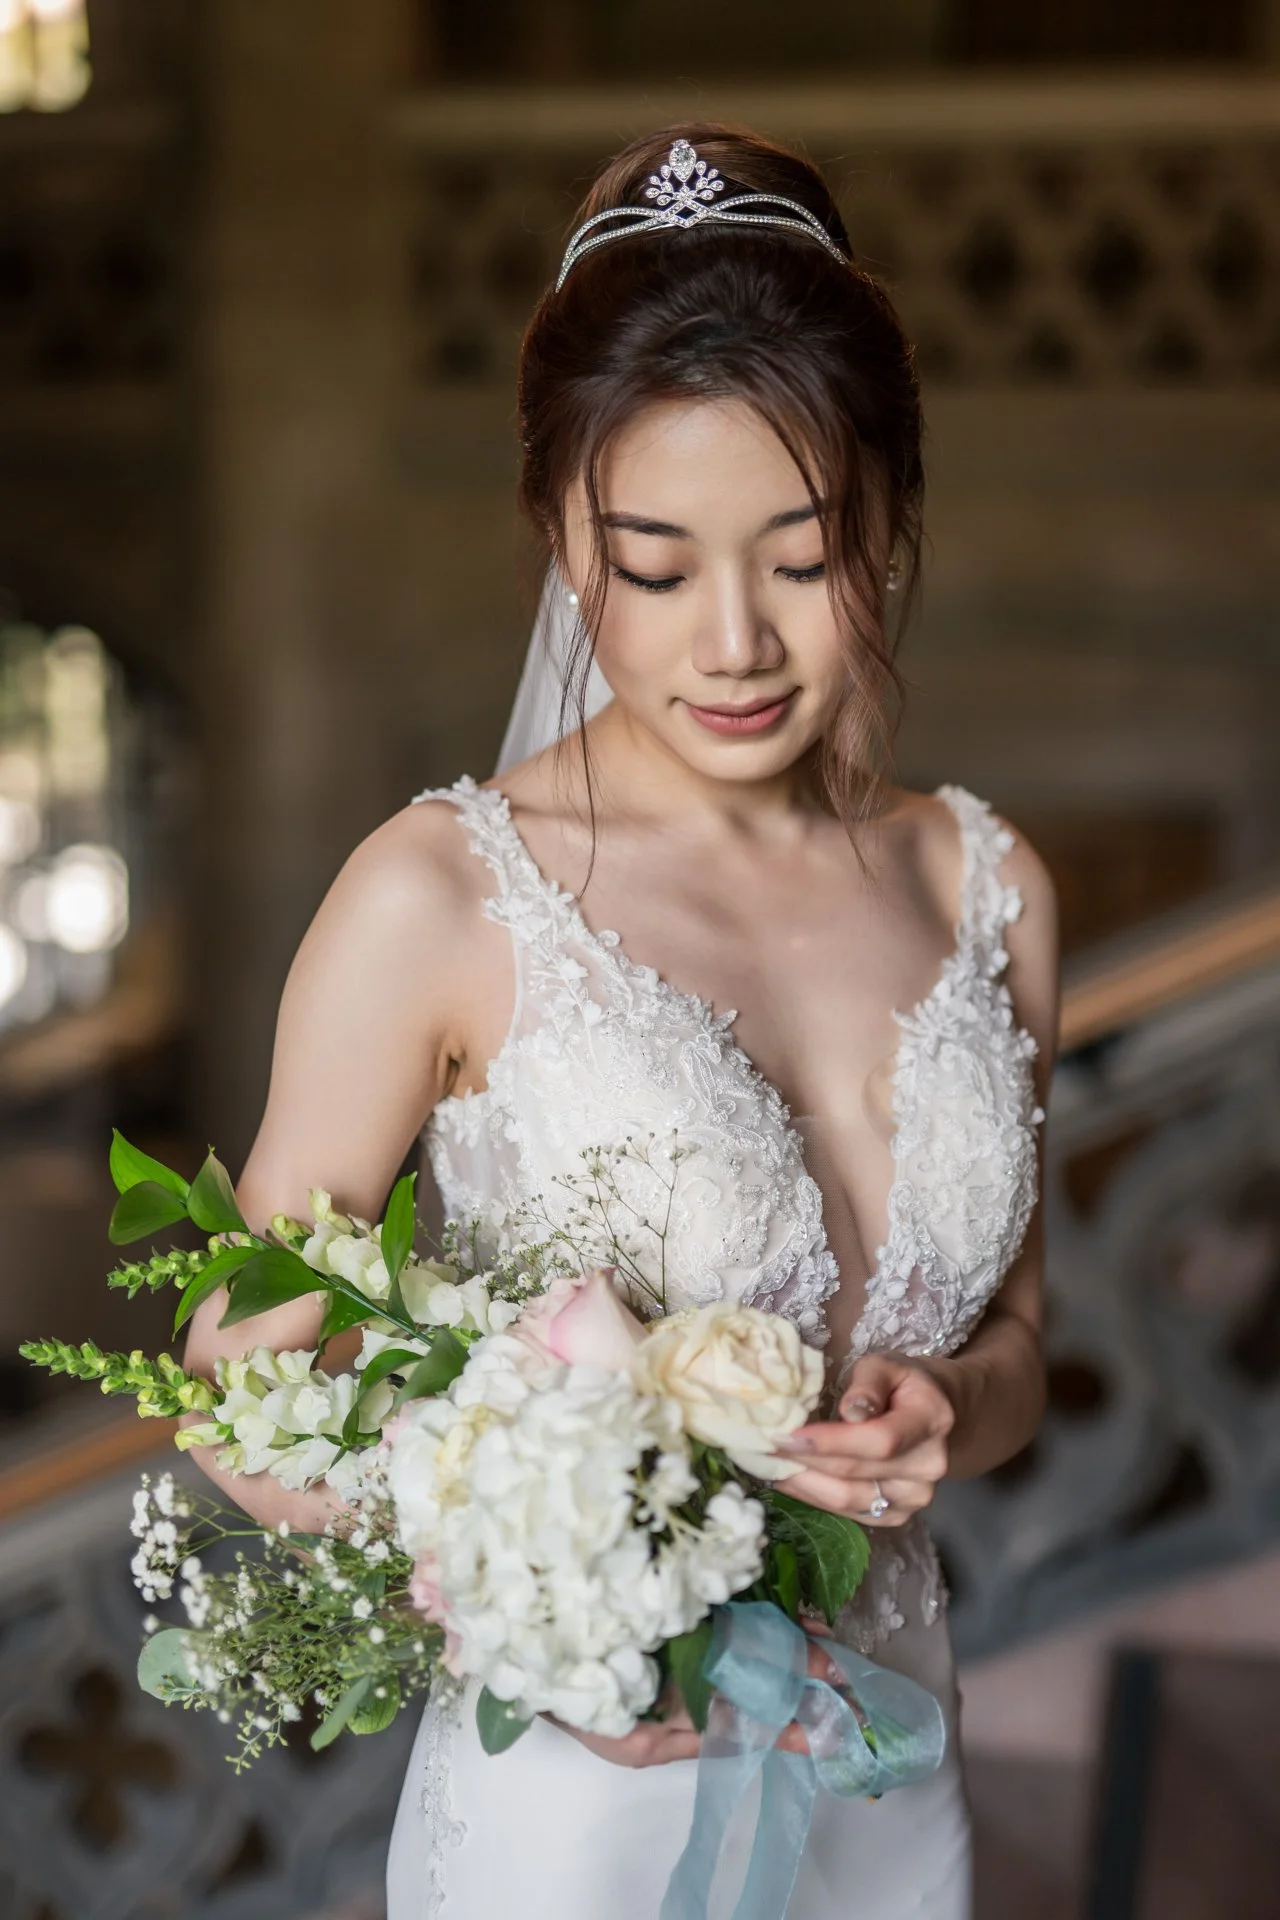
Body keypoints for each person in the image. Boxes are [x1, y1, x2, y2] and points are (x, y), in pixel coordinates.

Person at [184, 124, 1057, 1920]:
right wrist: (541, 1583)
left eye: (801, 558)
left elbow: (1025, 1344)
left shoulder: (989, 888)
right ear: (564, 546)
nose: (730, 641)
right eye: (654, 566)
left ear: (886, 521)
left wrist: (953, 1405)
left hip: (893, 1777)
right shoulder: (439, 901)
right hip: (583, 1810)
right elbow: (232, 1400)